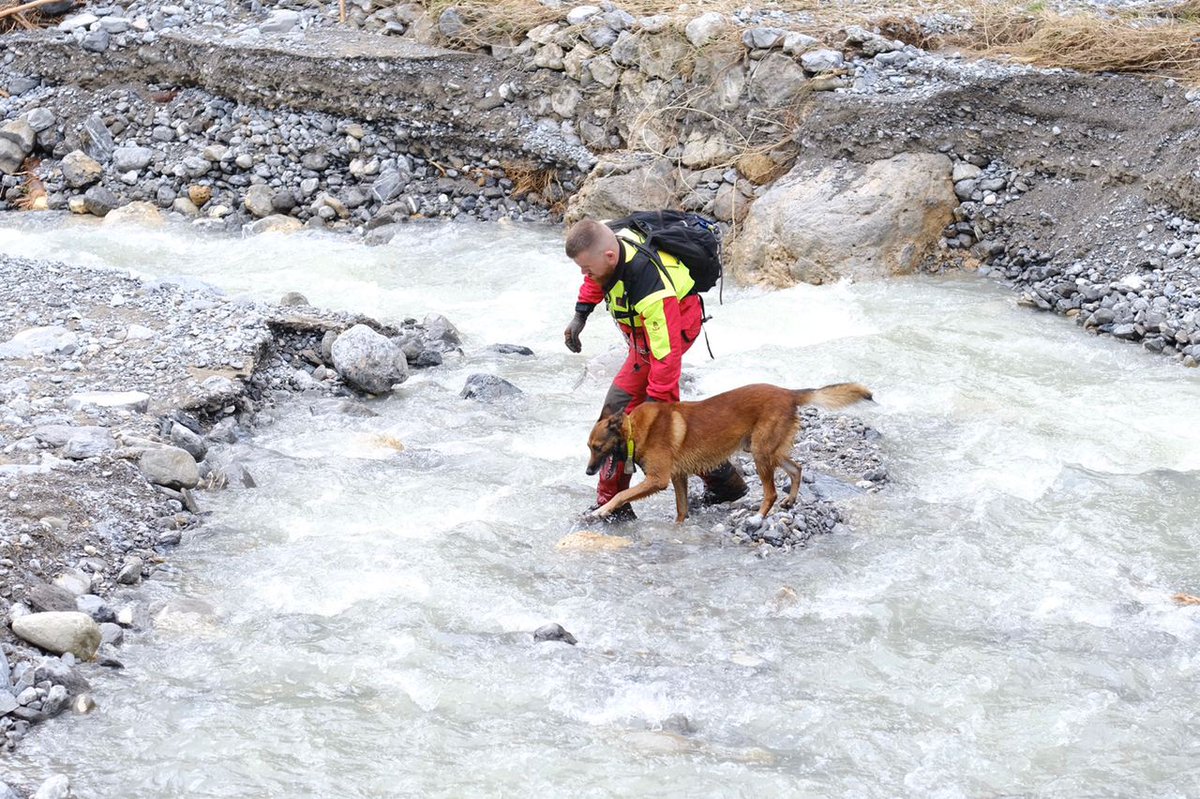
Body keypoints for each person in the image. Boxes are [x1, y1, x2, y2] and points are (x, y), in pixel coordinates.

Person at [563, 215, 747, 520]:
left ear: (609, 256)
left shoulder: (650, 287)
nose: (585, 274)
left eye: (586, 268)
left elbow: (666, 354)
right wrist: (581, 314)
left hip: (666, 338)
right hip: (643, 342)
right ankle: (725, 483)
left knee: (620, 417)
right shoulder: (610, 249)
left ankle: (613, 505)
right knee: (641, 422)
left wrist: (656, 404)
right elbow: (598, 277)